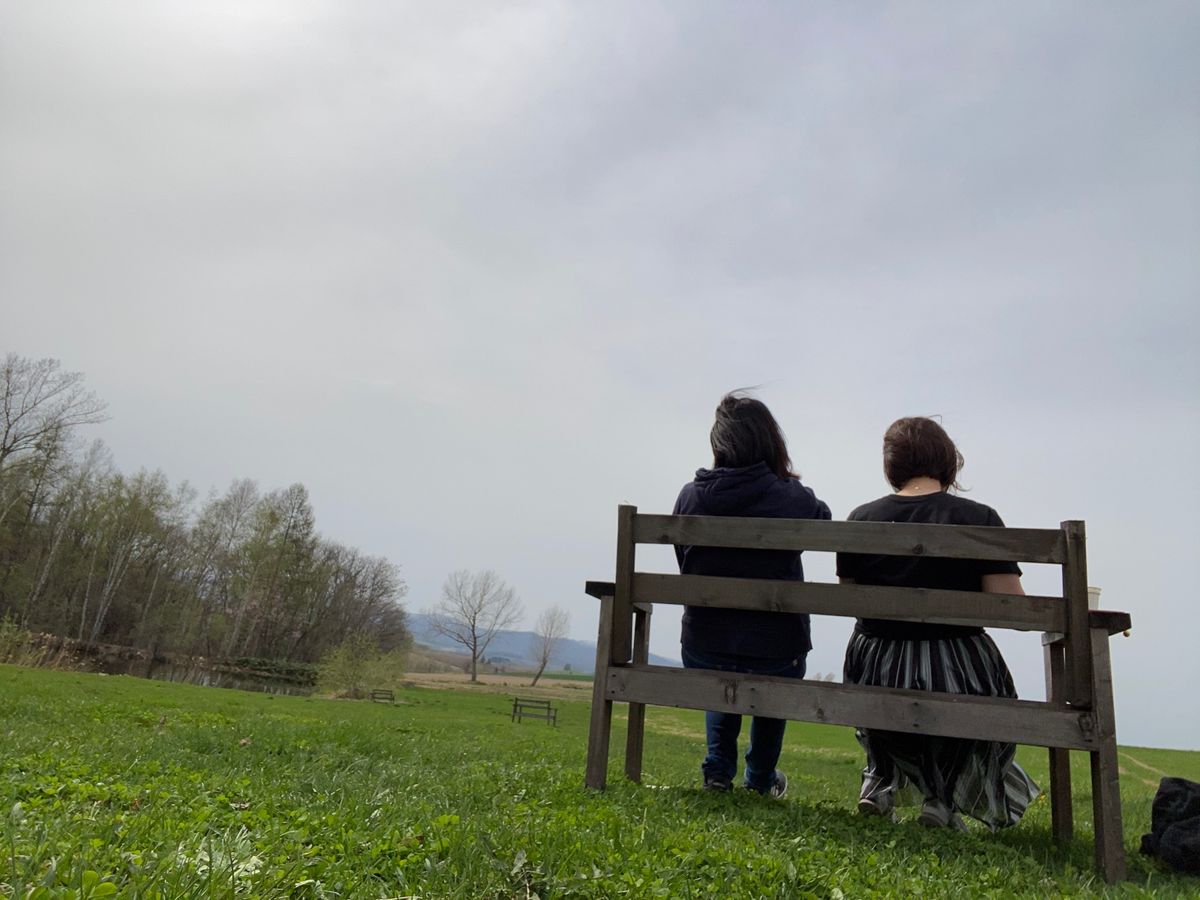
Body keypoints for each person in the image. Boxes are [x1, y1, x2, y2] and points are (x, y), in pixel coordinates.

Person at [836, 416, 1040, 830]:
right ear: (947, 461)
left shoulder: (861, 518)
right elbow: (1012, 609)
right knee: (982, 688)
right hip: (954, 668)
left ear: (892, 464)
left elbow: (851, 600)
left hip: (876, 666)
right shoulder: (979, 517)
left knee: (879, 662)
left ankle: (880, 780)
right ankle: (941, 800)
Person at [675, 392, 831, 797]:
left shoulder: (690, 496)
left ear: (718, 443)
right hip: (777, 652)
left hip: (703, 647)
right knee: (771, 658)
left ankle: (717, 772)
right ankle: (760, 779)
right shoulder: (792, 497)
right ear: (770, 441)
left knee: (721, 653)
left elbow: (684, 562)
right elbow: (825, 521)